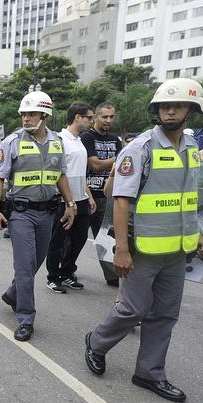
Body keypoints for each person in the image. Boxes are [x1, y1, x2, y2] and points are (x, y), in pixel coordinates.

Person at [84, 78, 203, 403]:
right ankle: (96, 342)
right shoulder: (140, 148)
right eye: (164, 106)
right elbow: (122, 201)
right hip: (142, 250)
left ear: (191, 110)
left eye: (178, 105)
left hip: (176, 251)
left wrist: (196, 236)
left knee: (166, 315)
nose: (170, 111)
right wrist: (122, 251)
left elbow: (187, 200)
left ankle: (149, 373)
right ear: (156, 111)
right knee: (132, 309)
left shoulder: (193, 150)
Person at [0, 90, 76, 342]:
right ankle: (26, 318)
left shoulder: (57, 142)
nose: (25, 118)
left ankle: (13, 293)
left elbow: (60, 174)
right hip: (21, 214)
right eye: (23, 114)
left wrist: (70, 203)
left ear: (44, 115)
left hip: (48, 213)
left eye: (31, 114)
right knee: (25, 266)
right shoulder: (12, 142)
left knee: (35, 262)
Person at [46, 103, 96, 293]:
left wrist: (88, 196)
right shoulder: (60, 140)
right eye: (89, 117)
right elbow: (58, 172)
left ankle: (67, 272)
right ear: (77, 117)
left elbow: (80, 173)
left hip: (81, 199)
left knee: (79, 239)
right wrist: (66, 200)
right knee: (57, 241)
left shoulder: (79, 140)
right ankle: (52, 277)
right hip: (63, 201)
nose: (91, 121)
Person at [81, 102, 123, 287]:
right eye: (104, 116)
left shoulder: (116, 140)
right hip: (88, 194)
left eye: (111, 117)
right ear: (96, 117)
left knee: (106, 237)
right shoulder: (87, 137)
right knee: (77, 237)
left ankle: (113, 276)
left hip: (110, 195)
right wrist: (120, 158)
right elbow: (94, 165)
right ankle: (62, 270)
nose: (108, 120)